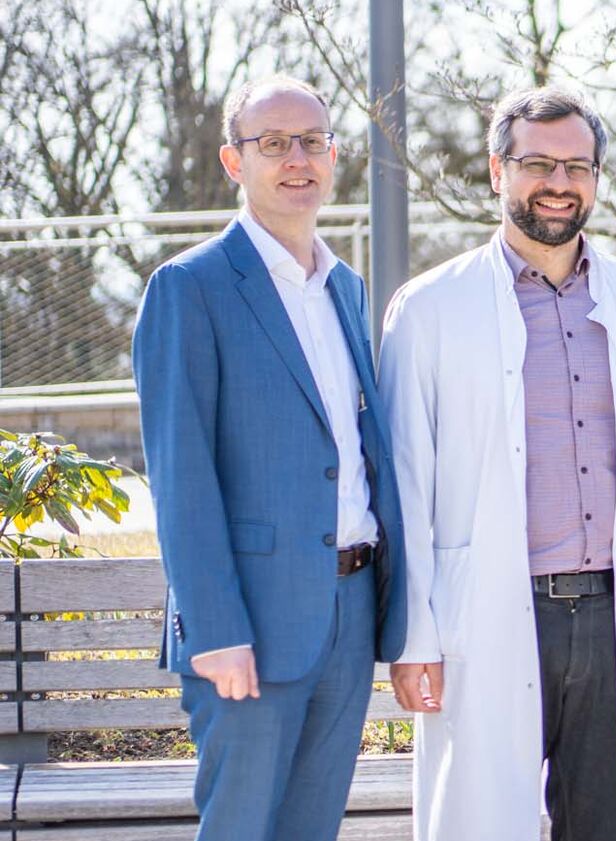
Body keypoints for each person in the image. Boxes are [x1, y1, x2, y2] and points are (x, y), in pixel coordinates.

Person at [379, 86, 616, 841]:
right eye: (538, 163)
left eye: (578, 166)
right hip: (486, 613)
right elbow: (404, 485)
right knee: (484, 822)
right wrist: (413, 638)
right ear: (497, 171)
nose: (559, 183)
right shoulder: (429, 309)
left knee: (611, 825)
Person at [131, 76, 407, 841]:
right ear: (234, 160)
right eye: (274, 143)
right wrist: (215, 628)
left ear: (334, 156)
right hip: (247, 625)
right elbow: (181, 476)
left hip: (349, 614)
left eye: (312, 142)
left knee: (312, 829)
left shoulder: (346, 288)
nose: (297, 159)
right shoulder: (190, 287)